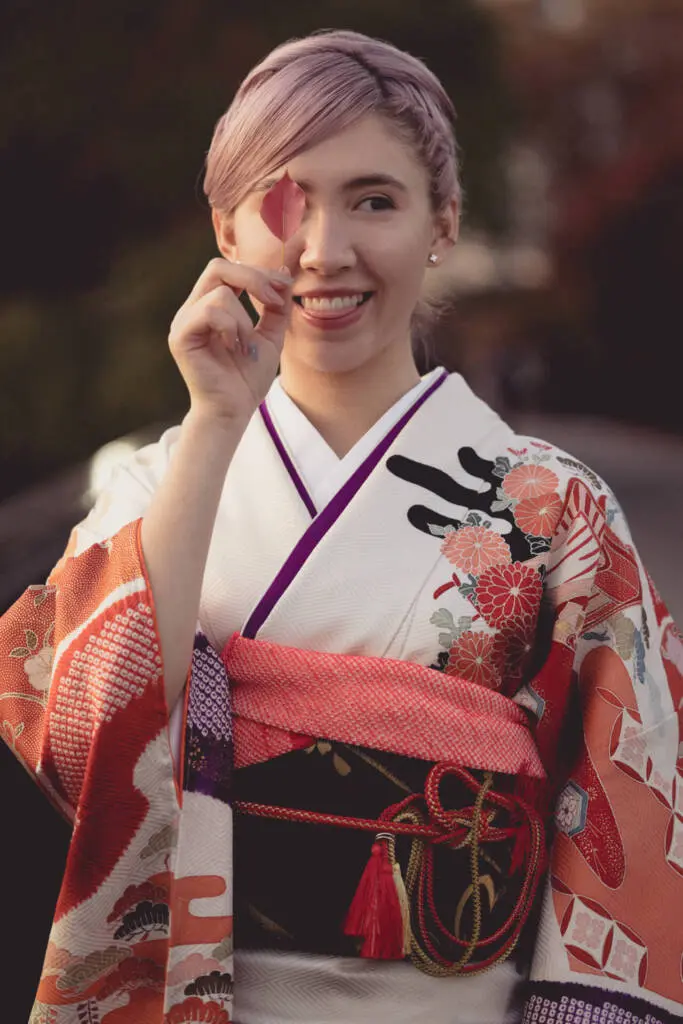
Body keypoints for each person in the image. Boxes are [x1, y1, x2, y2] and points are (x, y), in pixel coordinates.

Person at [2, 29, 682, 1024]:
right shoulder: (155, 484)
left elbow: (637, 812)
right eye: (287, 203)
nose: (326, 251)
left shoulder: (555, 512)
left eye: (374, 200)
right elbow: (84, 735)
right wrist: (215, 422)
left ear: (441, 219)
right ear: (227, 230)